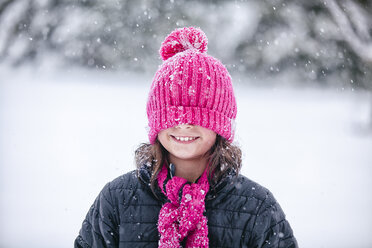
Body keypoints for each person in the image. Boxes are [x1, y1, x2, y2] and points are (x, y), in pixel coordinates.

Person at [75, 27, 298, 248]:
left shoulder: (257, 206)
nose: (183, 124)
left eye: (198, 115)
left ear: (219, 125)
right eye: (171, 114)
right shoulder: (116, 199)